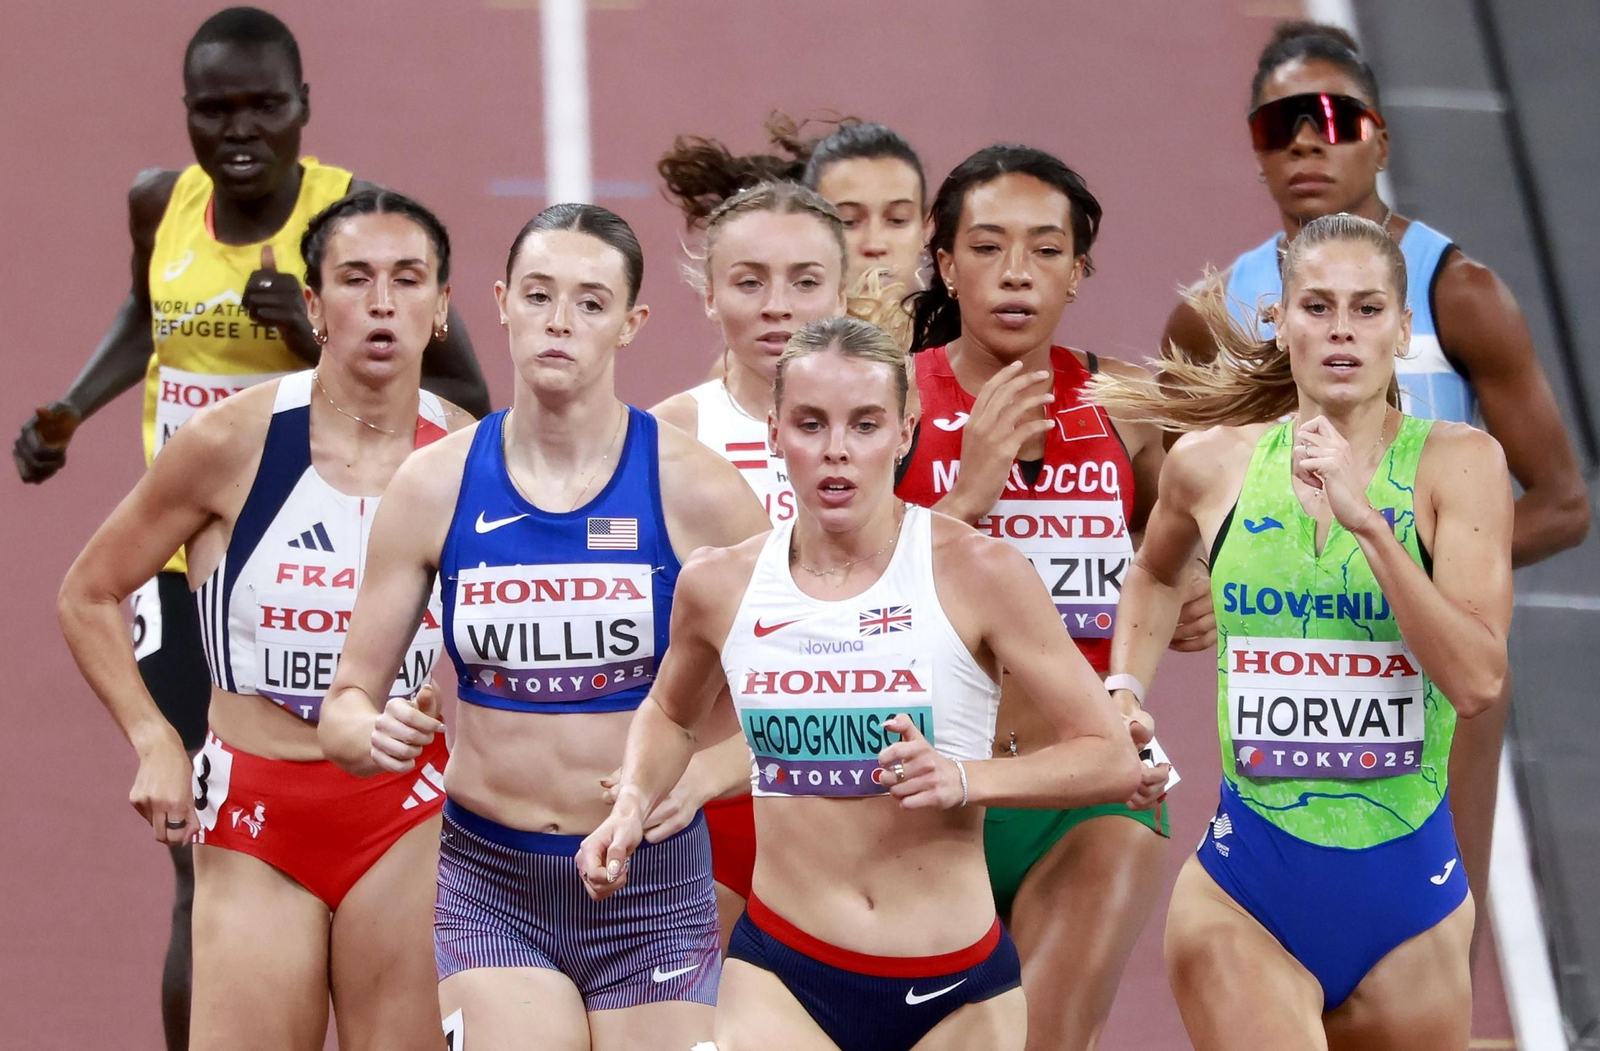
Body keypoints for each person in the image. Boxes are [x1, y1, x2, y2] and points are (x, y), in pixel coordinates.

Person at [16, 12, 487, 1045]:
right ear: (318, 303)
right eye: (354, 281)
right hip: (257, 807)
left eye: (407, 282)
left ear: (442, 306)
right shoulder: (228, 444)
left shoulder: (464, 457)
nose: (379, 305)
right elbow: (86, 591)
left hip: (407, 817)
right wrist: (152, 742)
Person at [579, 316, 1159, 1051]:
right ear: (773, 430)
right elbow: (669, 711)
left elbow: (1110, 755)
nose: (837, 451)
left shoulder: (978, 571)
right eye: (811, 423)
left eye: (865, 423)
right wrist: (633, 802)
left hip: (957, 989)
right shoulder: (720, 584)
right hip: (784, 974)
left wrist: (963, 776)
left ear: (906, 428)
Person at [1160, 20, 1588, 934]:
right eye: (1278, 126)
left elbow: (1561, 501)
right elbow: (1165, 486)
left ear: (1381, 137)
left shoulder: (1456, 292)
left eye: (1331, 116)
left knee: (1436, 920)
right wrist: (1194, 571)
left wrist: (1436, 576)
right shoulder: (1214, 314)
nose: (1307, 140)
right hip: (1285, 658)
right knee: (1274, 916)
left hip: (1428, 661)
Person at [318, 203, 769, 1051]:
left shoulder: (697, 492)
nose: (560, 322)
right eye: (538, 295)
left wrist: (702, 778)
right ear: (499, 302)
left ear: (632, 322)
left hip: (655, 891)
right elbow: (346, 701)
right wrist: (369, 731)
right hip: (494, 885)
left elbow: (793, 701)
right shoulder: (434, 485)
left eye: (591, 302)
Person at [1101, 213, 1512, 1048]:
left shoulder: (1460, 465)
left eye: (1367, 310)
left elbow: (1475, 680)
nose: (1341, 331)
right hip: (1248, 894)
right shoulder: (1210, 464)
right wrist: (1123, 689)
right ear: (1278, 321)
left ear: (1403, 330)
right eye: (1317, 306)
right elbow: (1152, 571)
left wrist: (1370, 526)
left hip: (1414, 908)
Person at [895, 143, 1193, 1051]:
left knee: (1043, 1035)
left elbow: (1171, 556)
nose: (1016, 273)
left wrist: (1190, 599)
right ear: (945, 264)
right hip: (926, 794)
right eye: (987, 248)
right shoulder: (893, 405)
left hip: (1088, 789)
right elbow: (846, 603)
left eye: (1047, 250)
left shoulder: (1128, 406)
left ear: (1079, 269)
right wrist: (966, 497)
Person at [648, 180, 852, 935]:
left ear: (845, 290)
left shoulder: (898, 425)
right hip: (711, 810)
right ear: (708, 295)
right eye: (748, 281)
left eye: (805, 282)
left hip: (856, 799)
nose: (778, 305)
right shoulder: (668, 435)